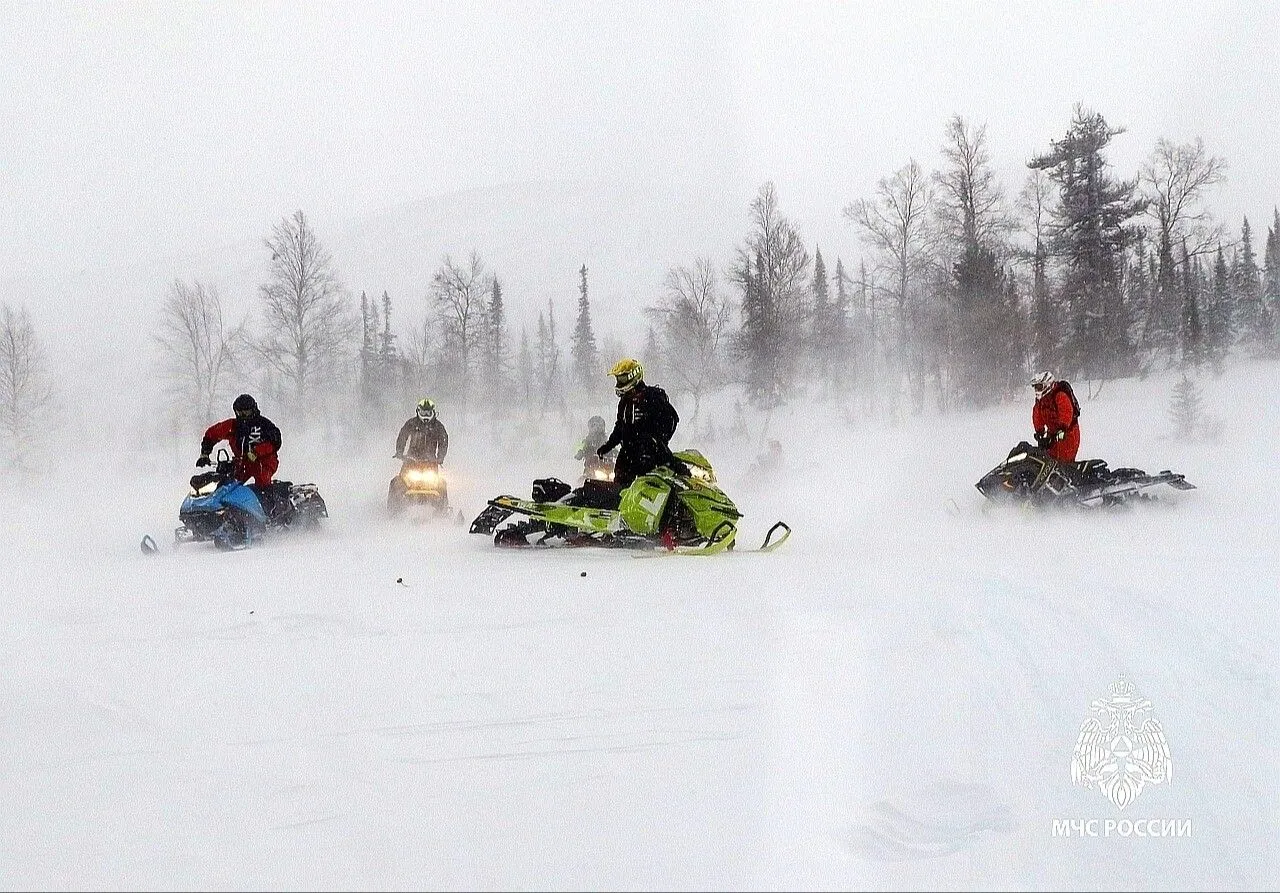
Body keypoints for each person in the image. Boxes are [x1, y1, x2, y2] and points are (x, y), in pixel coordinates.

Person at [596, 358, 684, 490]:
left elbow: (671, 419)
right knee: (619, 490)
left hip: (649, 454)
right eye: (618, 379)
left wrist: (655, 440)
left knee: (649, 490)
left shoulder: (652, 396)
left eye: (623, 379)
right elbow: (620, 426)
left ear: (634, 376)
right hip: (627, 453)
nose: (619, 382)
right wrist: (608, 446)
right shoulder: (624, 402)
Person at [197, 393, 281, 487]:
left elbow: (275, 442)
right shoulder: (233, 425)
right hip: (241, 463)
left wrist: (257, 452)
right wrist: (204, 453)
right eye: (239, 412)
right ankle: (224, 500)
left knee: (262, 481)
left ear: (253, 410)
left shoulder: (264, 424)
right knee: (227, 483)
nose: (243, 415)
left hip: (264, 461)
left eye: (246, 412)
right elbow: (212, 434)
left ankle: (268, 499)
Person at [1030, 371, 1080, 463]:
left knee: (1064, 462)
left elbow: (1066, 413)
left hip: (1068, 433)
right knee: (1048, 460)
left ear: (1047, 385)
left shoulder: (1059, 395)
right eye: (1035, 387)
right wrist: (1039, 432)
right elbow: (1037, 415)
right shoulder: (1041, 400)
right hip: (1052, 433)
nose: (1037, 390)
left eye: (1039, 387)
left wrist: (1060, 430)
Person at [395, 398, 449, 463]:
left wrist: (440, 457)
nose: (425, 415)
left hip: (431, 461)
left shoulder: (438, 426)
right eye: (423, 412)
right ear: (418, 411)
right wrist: (399, 452)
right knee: (403, 473)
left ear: (433, 412)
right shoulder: (412, 423)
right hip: (411, 459)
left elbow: (443, 441)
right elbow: (402, 436)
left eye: (428, 413)